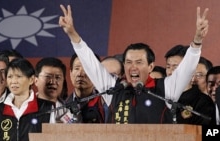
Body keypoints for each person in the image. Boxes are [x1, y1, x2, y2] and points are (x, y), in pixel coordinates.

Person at [59, 5, 209, 123]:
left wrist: (197, 41)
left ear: (151, 66)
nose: (133, 67)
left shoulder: (166, 88)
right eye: (128, 62)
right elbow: (90, 63)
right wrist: (72, 34)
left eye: (139, 62)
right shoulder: (113, 89)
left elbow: (187, 68)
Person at [0, 58, 55, 141]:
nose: (13, 81)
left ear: (31, 80)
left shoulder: (46, 108)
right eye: (10, 77)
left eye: (18, 76)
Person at [164, 45, 216, 125]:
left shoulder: (203, 102)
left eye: (175, 67)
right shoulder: (160, 94)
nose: (170, 72)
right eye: (168, 67)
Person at [65, 53, 105, 123]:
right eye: (77, 68)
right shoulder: (63, 106)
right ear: (70, 73)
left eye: (87, 69)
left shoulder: (105, 103)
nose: (80, 74)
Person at [34, 57, 69, 122]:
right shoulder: (25, 108)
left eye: (58, 77)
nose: (53, 82)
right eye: (48, 76)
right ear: (36, 80)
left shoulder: (68, 112)